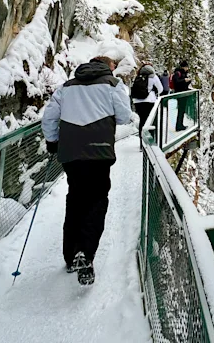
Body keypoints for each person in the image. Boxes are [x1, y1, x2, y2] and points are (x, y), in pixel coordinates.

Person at [42, 55, 131, 286]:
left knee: (75, 199)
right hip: (99, 153)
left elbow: (49, 116)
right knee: (97, 201)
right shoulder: (113, 85)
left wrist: (53, 141)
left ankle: (70, 256)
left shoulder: (67, 87)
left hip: (71, 153)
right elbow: (123, 117)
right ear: (107, 67)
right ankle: (85, 252)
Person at [130, 63, 163, 149]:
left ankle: (142, 143)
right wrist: (154, 91)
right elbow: (161, 89)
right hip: (149, 101)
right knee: (150, 121)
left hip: (137, 102)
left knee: (142, 120)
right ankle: (150, 143)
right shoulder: (153, 76)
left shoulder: (138, 76)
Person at [170, 60, 192, 132]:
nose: (187, 68)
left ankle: (180, 124)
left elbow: (182, 84)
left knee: (182, 110)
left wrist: (188, 81)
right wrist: (184, 80)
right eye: (186, 67)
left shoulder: (182, 73)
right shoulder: (178, 73)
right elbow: (176, 82)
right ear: (184, 67)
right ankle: (179, 126)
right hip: (180, 94)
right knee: (181, 110)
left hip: (183, 93)